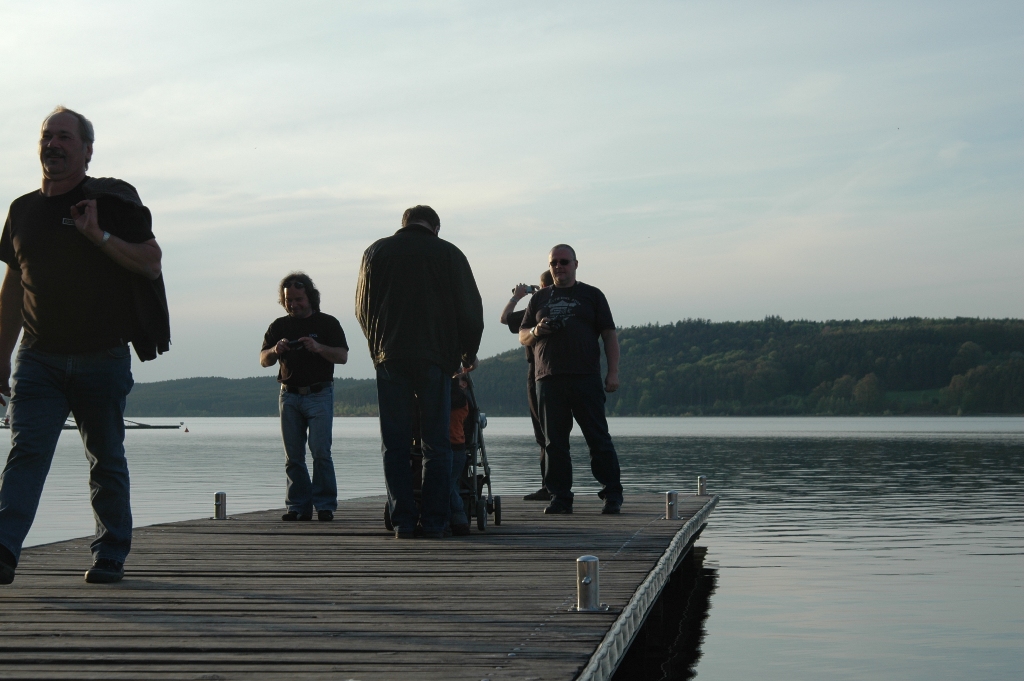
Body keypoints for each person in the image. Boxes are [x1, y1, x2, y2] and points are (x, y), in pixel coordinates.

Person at [0, 106, 170, 585]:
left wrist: (98, 235)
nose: (53, 144)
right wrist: (0, 355)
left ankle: (111, 551)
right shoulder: (21, 210)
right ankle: (4, 549)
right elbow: (13, 288)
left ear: (87, 150)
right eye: (47, 136)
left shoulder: (109, 202)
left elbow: (151, 262)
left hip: (103, 355)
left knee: (106, 457)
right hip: (38, 357)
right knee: (26, 452)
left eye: (65, 137)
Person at [356, 205, 483, 539]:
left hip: (390, 357)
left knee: (394, 443)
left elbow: (362, 308)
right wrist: (467, 353)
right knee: (436, 443)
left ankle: (403, 522)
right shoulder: (450, 253)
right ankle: (436, 522)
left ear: (404, 224)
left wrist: (378, 350)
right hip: (436, 359)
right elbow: (470, 310)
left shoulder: (375, 252)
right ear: (435, 227)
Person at [519, 244, 623, 515]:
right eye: (554, 262)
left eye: (564, 261)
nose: (558, 266)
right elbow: (522, 335)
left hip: (585, 377)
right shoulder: (539, 299)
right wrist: (537, 331)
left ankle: (612, 495)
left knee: (598, 439)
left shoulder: (592, 295)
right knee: (554, 444)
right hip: (548, 379)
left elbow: (609, 335)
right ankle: (560, 498)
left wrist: (613, 372)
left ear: (576, 264)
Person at [261, 272, 349, 522]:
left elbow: (342, 356)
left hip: (319, 394)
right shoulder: (279, 326)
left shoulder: (327, 323)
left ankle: (325, 506)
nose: (293, 304)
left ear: (310, 297)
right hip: (289, 396)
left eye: (298, 299)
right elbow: (263, 360)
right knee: (293, 456)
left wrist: (318, 348)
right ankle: (298, 506)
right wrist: (275, 350)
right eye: (289, 300)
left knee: (320, 452)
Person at [499, 271, 554, 501]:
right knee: (554, 433)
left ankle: (549, 487)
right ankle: (555, 487)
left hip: (538, 372)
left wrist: (517, 296)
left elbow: (505, 318)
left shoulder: (538, 310)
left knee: (543, 434)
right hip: (560, 372)